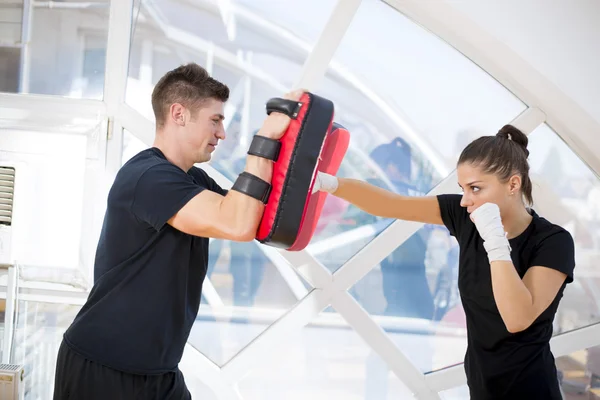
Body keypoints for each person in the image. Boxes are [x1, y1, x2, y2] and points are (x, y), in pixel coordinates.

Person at [53, 62, 303, 399]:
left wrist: (293, 156)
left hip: (158, 371)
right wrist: (264, 140)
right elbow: (236, 223)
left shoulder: (191, 179)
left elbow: (255, 217)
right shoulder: (148, 177)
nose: (222, 134)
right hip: (103, 367)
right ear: (179, 114)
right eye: (215, 120)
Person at [313, 125, 575, 399]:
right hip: (481, 386)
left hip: (531, 389)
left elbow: (517, 319)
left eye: (476, 188)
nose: (466, 200)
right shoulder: (465, 216)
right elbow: (391, 204)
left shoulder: (553, 242)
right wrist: (327, 183)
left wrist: (495, 239)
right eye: (463, 189)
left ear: (513, 184)